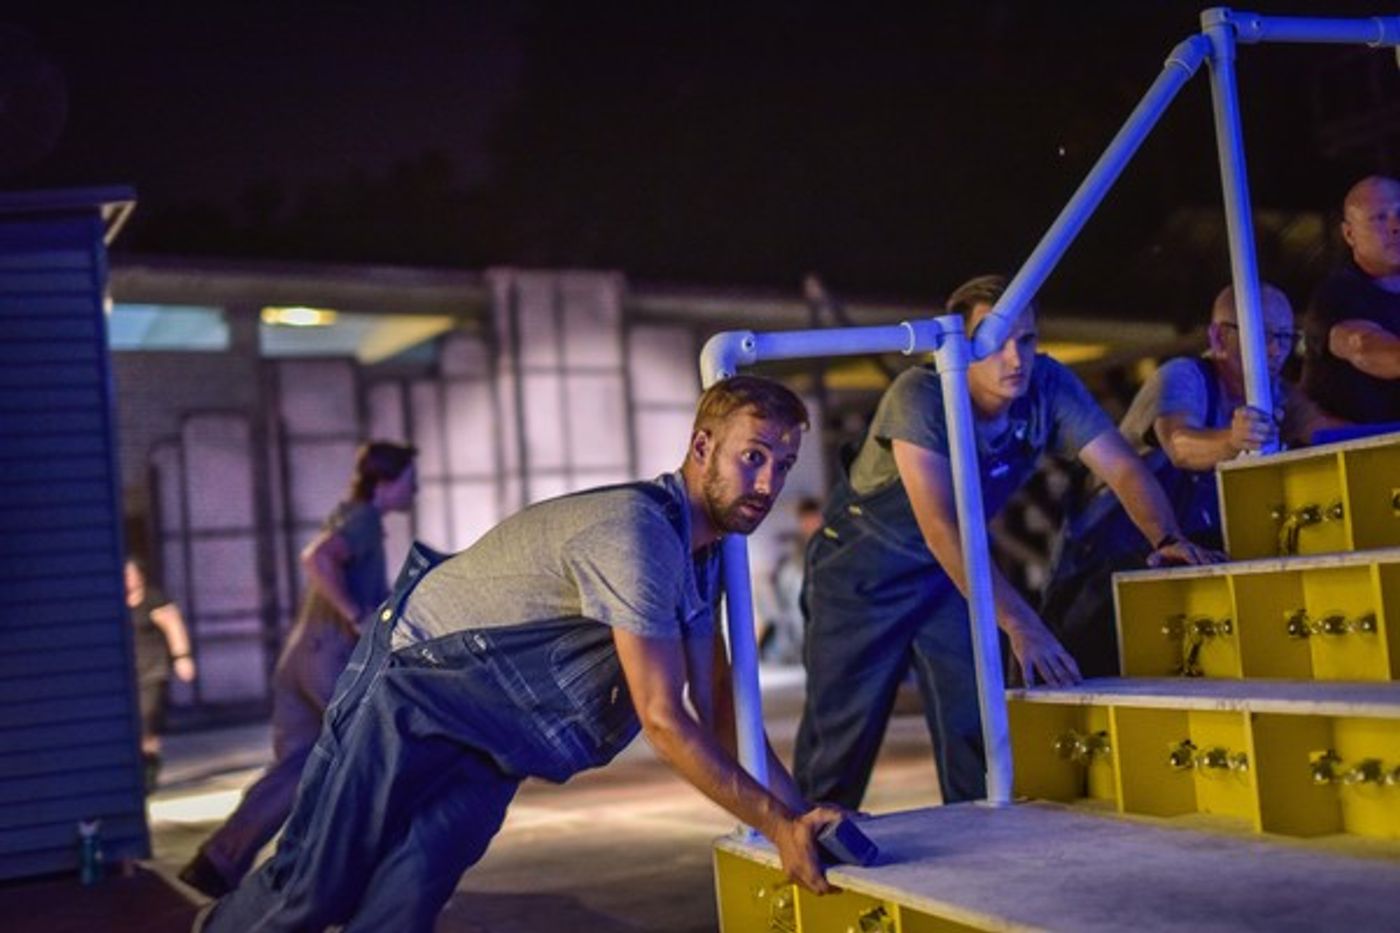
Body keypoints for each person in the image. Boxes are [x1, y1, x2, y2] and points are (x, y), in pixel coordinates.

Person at [197, 376, 844, 932]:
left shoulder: (700, 558)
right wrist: (775, 823)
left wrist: (799, 817)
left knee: (403, 901)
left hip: (495, 736)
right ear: (702, 446)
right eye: (753, 456)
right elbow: (665, 719)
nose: (768, 482)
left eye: (783, 465)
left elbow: (720, 706)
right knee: (312, 890)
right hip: (413, 688)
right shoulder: (637, 535)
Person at [794, 274, 1217, 811]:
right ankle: (804, 860)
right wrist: (1023, 624)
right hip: (862, 577)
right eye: (996, 342)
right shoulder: (920, 396)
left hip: (949, 577)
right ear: (961, 345)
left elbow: (1123, 469)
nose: (1015, 358)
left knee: (978, 723)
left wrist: (1168, 536)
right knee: (840, 740)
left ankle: (979, 848)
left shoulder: (1048, 386)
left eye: (1028, 339)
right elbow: (942, 528)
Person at [1043, 283, 1330, 676]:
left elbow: (1328, 432)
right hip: (1110, 566)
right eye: (1260, 334)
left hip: (1179, 563)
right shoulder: (1183, 377)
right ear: (1217, 336)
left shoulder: (1277, 395)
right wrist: (1231, 440)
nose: (1275, 349)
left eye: (1284, 336)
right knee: (1088, 671)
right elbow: (1179, 444)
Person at [180, 441, 418, 898]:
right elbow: (317, 557)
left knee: (297, 769)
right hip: (328, 658)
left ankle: (217, 861)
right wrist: (354, 615)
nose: (416, 489)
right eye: (410, 480)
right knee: (371, 754)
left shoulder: (351, 514)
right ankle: (361, 872)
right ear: (387, 483)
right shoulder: (364, 520)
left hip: (301, 657)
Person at [1300, 174, 1400, 428]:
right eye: (1379, 218)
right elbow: (1363, 347)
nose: (1395, 225)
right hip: (1350, 454)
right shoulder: (1336, 295)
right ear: (1349, 234)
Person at [124, 557, 196, 792]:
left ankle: (148, 775)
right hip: (128, 674)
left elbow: (174, 626)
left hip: (152, 671)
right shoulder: (116, 600)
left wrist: (182, 657)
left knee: (146, 722)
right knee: (131, 725)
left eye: (132, 573)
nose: (129, 579)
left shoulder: (153, 599)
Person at [755, 495, 823, 665]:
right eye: (806, 519)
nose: (810, 523)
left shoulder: (827, 541)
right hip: (795, 600)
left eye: (813, 518)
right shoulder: (795, 546)